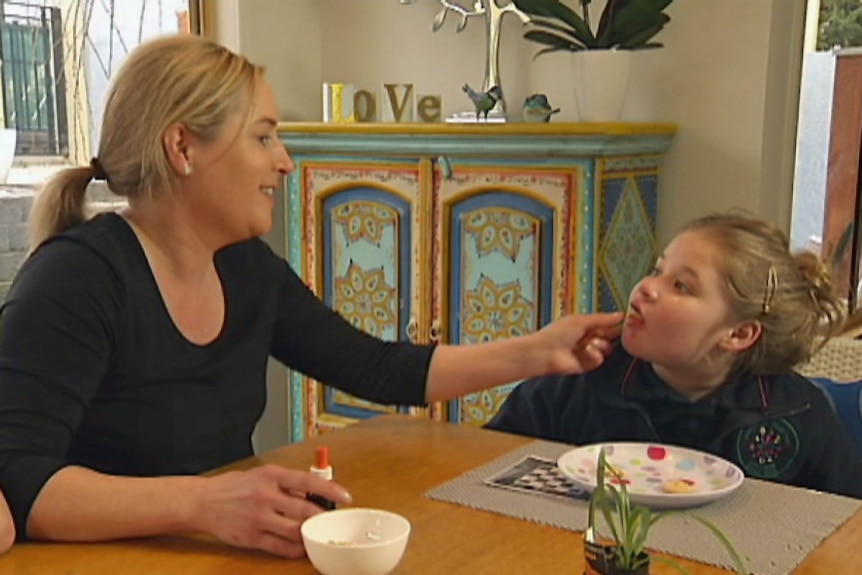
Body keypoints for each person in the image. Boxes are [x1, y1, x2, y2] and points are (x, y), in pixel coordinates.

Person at [0, 34, 622, 559]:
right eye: (265, 138)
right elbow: (22, 483)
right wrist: (205, 501)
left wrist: (539, 352)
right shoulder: (76, 282)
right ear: (183, 147)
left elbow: (377, 367)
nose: (286, 163)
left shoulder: (247, 269)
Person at [487, 213, 862, 499]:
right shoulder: (581, 376)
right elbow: (487, 469)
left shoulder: (798, 415)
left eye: (681, 285)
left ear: (739, 334)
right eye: (657, 270)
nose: (648, 287)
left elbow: (845, 530)